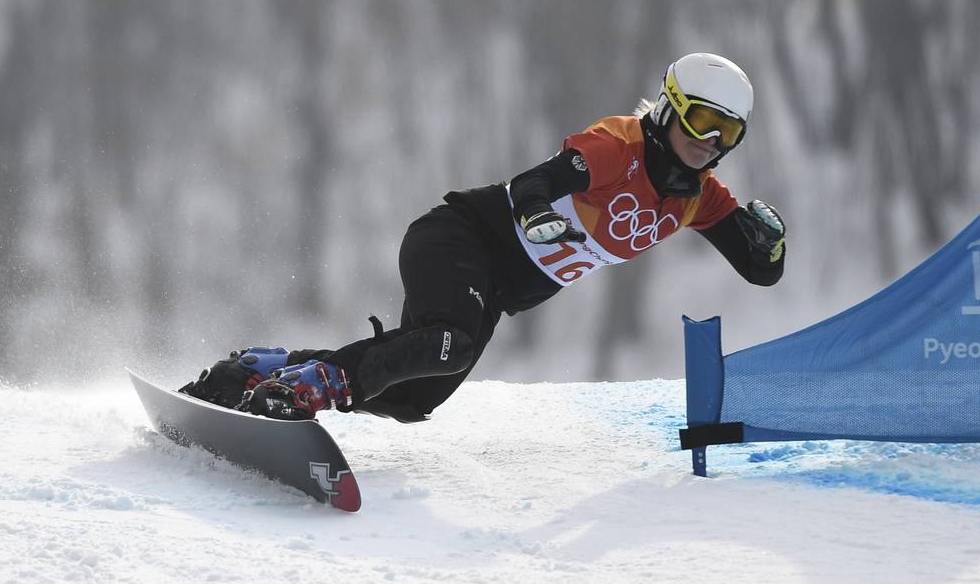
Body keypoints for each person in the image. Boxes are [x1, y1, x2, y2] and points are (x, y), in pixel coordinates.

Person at [181, 53, 787, 421]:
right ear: (673, 107)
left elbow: (761, 270)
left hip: (493, 292)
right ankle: (303, 394)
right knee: (448, 341)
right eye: (705, 121)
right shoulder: (620, 145)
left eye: (729, 132)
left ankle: (258, 371)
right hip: (460, 238)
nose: (711, 142)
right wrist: (531, 213)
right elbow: (536, 181)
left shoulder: (700, 199)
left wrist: (770, 243)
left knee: (410, 397)